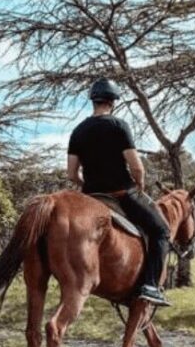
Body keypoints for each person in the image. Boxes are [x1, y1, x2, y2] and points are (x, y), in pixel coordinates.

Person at [66, 78, 172, 306]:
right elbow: (136, 167)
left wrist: (86, 183)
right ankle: (152, 286)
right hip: (122, 193)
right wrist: (140, 184)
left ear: (93, 101)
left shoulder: (78, 131)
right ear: (113, 102)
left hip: (91, 196)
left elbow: (72, 173)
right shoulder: (119, 126)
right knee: (162, 230)